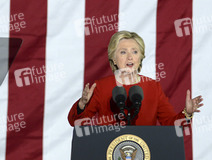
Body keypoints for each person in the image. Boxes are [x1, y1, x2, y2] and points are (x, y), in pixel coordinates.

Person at [68, 30, 203, 126]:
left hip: (145, 157)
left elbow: (170, 124)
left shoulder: (152, 87)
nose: (130, 57)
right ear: (114, 59)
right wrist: (82, 104)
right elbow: (75, 123)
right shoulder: (101, 87)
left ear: (140, 57)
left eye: (135, 51)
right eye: (123, 52)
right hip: (109, 156)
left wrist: (187, 113)